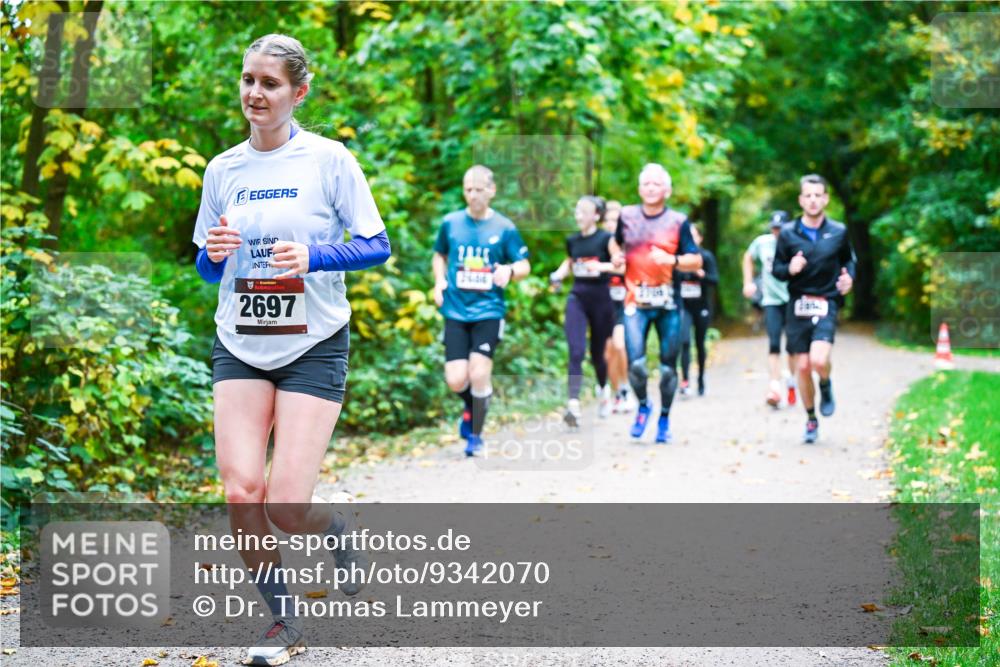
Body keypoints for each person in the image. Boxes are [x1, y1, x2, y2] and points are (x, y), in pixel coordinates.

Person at [193, 35, 391, 666]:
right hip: (240, 341)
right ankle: (282, 621)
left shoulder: (330, 161)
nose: (255, 93)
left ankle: (334, 529)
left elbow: (377, 244)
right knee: (241, 488)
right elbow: (204, 264)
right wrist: (212, 255)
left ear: (298, 92)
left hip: (313, 340)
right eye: (248, 80)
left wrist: (315, 256)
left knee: (284, 505)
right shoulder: (223, 168)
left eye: (270, 83)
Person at [432, 165, 530, 456]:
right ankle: (471, 405)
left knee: (479, 373)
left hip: (489, 310)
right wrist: (439, 280)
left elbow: (525, 265)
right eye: (468, 189)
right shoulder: (450, 223)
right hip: (456, 310)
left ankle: (475, 436)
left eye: (478, 189)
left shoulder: (505, 228)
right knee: (455, 380)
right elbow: (439, 255)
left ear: (492, 190)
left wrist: (510, 270)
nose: (472, 195)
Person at [612, 164, 702, 444]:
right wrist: (617, 258)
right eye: (646, 183)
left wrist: (673, 260)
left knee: (666, 368)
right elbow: (615, 244)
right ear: (639, 189)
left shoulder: (678, 221)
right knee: (636, 364)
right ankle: (643, 406)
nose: (650, 188)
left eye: (656, 183)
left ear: (667, 190)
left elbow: (696, 260)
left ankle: (664, 416)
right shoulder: (626, 216)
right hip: (635, 300)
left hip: (668, 303)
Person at [772, 175, 856, 444]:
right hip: (797, 306)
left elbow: (849, 261)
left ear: (825, 198)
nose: (813, 200)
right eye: (808, 195)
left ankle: (826, 383)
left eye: (818, 195)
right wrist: (790, 269)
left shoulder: (839, 231)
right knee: (804, 366)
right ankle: (811, 418)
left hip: (826, 302)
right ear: (801, 200)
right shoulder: (787, 234)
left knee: (819, 361)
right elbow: (777, 270)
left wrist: (848, 279)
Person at [548, 196, 622, 426]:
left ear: (596, 216)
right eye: (577, 211)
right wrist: (557, 275)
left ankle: (603, 389)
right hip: (578, 297)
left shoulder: (607, 239)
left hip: (602, 299)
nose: (578, 215)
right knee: (576, 349)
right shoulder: (573, 240)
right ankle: (573, 404)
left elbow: (619, 266)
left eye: (583, 211)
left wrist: (600, 266)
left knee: (598, 354)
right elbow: (570, 263)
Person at [742, 210, 798, 408]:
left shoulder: (796, 242)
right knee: (774, 343)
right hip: (771, 300)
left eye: (780, 229)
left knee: (792, 347)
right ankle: (774, 386)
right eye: (774, 228)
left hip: (792, 299)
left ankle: (791, 380)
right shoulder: (762, 242)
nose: (777, 232)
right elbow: (748, 257)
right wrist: (748, 282)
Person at [674, 223, 718, 396]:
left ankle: (700, 379)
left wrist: (702, 275)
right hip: (684, 306)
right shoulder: (678, 258)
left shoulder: (706, 257)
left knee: (700, 344)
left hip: (702, 307)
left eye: (694, 236)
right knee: (684, 341)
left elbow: (715, 281)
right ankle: (685, 380)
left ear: (700, 238)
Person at [601, 200, 634, 412]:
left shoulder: (630, 244)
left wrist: (600, 268)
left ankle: (625, 386)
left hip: (626, 301)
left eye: (616, 220)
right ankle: (617, 393)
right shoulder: (597, 244)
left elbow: (628, 270)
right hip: (603, 304)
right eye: (608, 220)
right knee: (607, 351)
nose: (612, 224)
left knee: (620, 345)